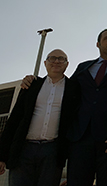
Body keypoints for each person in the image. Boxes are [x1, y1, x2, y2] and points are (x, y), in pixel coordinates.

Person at [65, 28, 107, 186]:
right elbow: (67, 91)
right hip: (80, 137)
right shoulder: (83, 67)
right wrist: (35, 80)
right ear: (98, 44)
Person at [0, 49, 79, 186]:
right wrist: (2, 155)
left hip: (53, 152)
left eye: (61, 59)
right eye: (52, 58)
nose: (56, 61)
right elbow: (14, 119)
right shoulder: (31, 85)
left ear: (67, 64)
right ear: (45, 63)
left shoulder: (74, 89)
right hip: (24, 149)